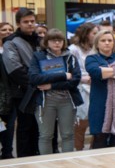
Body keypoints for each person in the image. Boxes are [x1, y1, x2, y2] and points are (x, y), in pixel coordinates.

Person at [27, 28, 81, 155]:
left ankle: (68, 161)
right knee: (45, 135)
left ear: (64, 42)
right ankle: (47, 163)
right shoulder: (38, 56)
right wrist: (63, 75)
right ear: (46, 42)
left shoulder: (70, 57)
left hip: (67, 101)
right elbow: (34, 78)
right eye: (53, 40)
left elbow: (75, 80)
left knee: (67, 135)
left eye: (60, 40)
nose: (57, 43)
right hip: (46, 101)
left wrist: (51, 85)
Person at [2, 8, 41, 158]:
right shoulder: (10, 42)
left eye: (32, 21)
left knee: (41, 127)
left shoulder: (40, 40)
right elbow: (14, 69)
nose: (30, 24)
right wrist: (36, 82)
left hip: (43, 90)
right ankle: (25, 159)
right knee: (26, 127)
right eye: (26, 22)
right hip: (23, 92)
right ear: (18, 23)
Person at [84, 30, 115, 149]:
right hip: (100, 102)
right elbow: (96, 72)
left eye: (109, 40)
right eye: (103, 40)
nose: (107, 43)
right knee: (100, 138)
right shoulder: (91, 58)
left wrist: (106, 70)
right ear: (97, 43)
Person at [68, 22, 98, 151]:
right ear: (86, 34)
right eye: (94, 33)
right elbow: (68, 71)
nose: (96, 36)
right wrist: (81, 79)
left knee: (96, 122)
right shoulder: (73, 49)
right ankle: (78, 150)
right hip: (80, 88)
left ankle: (93, 149)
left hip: (95, 87)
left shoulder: (95, 48)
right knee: (81, 122)